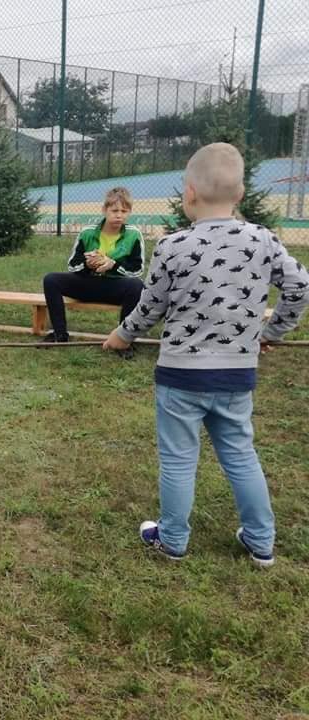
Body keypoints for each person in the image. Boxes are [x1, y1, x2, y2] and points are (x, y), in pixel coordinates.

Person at [103, 143, 309, 567]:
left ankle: (173, 540)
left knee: (179, 460)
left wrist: (122, 336)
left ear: (189, 194)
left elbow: (150, 307)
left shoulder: (173, 246)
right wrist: (273, 332)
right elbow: (300, 286)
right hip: (236, 376)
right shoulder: (263, 240)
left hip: (182, 376)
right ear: (241, 193)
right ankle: (261, 541)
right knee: (239, 453)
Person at [42, 187, 144, 358]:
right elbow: (72, 266)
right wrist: (88, 265)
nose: (119, 215)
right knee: (51, 280)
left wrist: (113, 264)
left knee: (136, 285)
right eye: (114, 210)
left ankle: (123, 341)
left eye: (124, 211)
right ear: (104, 210)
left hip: (114, 287)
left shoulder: (134, 235)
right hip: (89, 284)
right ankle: (59, 335)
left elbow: (137, 269)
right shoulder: (87, 232)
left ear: (129, 212)